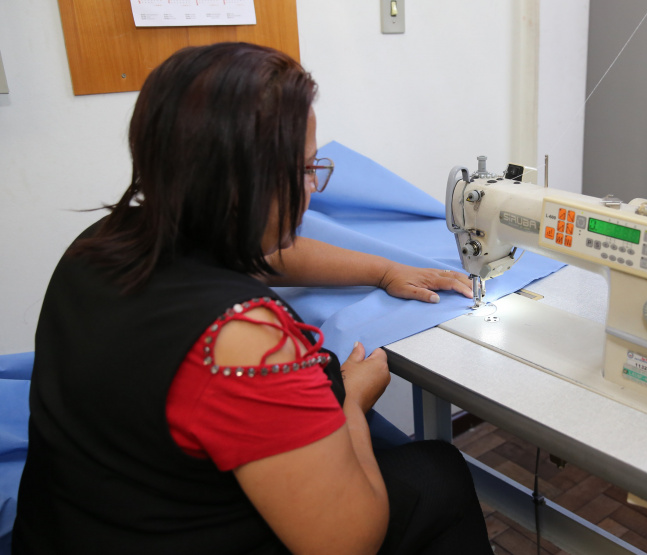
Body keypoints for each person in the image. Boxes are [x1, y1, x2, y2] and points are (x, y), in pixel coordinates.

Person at [12, 42, 492, 554]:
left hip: (70, 526)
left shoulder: (101, 245)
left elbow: (266, 252)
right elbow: (347, 544)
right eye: (306, 170)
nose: (312, 188)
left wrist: (383, 268)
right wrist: (350, 400)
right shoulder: (243, 340)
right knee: (439, 471)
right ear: (247, 183)